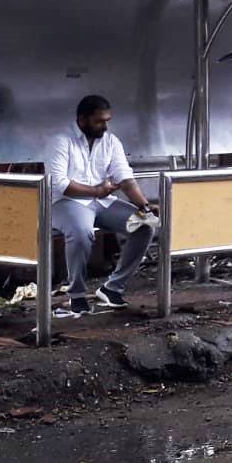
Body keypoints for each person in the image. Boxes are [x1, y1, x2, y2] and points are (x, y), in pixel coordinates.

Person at [47, 95, 158, 315]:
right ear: (82, 120)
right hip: (66, 202)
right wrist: (96, 191)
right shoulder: (61, 141)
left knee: (145, 225)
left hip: (102, 202)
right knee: (81, 232)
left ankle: (112, 287)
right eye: (99, 121)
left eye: (107, 120)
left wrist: (144, 206)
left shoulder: (110, 141)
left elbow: (124, 177)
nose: (104, 126)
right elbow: (59, 184)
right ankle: (76, 295)